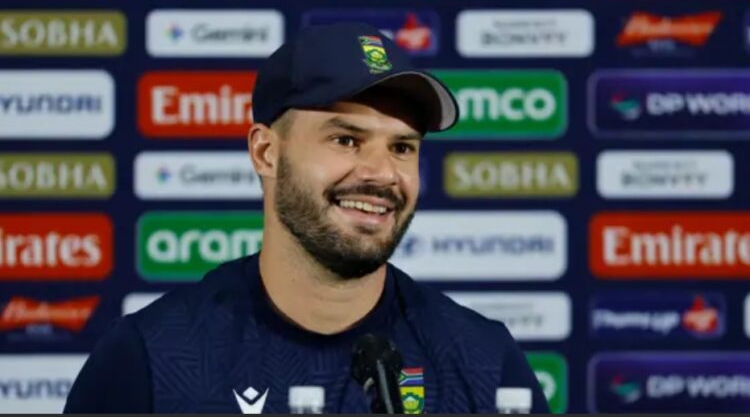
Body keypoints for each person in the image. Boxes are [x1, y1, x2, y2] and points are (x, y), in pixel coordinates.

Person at [64, 22, 549, 414]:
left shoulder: (484, 362)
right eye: (346, 140)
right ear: (266, 152)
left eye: (402, 147)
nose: (382, 173)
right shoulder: (152, 360)